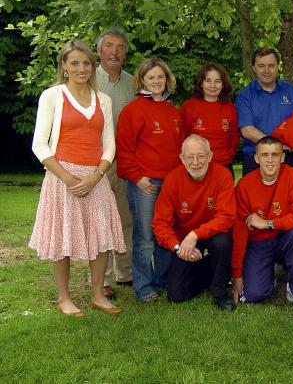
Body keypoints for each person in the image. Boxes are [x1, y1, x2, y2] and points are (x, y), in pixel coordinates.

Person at [29, 39, 125, 316]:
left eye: (86, 63)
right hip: (62, 178)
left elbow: (110, 145)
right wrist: (68, 178)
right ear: (64, 67)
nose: (81, 68)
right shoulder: (52, 96)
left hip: (95, 177)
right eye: (74, 63)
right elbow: (40, 144)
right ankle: (64, 298)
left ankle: (97, 294)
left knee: (100, 236)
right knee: (63, 239)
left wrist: (96, 176)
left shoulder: (103, 100)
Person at [116, 57, 182, 303]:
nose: (156, 81)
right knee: (144, 238)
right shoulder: (132, 111)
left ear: (167, 80)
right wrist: (138, 178)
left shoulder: (173, 111)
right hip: (145, 183)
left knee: (166, 233)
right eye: (151, 77)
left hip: (171, 185)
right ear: (142, 80)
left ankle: (161, 279)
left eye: (160, 77)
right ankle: (143, 286)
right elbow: (124, 151)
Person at [152, 134, 237, 310]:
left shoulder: (223, 175)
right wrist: (178, 247)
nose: (196, 162)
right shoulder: (172, 180)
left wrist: (195, 234)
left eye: (201, 156)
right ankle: (215, 269)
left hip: (212, 234)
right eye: (190, 157)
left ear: (210, 156)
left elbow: (226, 217)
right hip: (185, 242)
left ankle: (219, 290)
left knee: (223, 242)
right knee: (176, 295)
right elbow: (160, 224)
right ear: (182, 159)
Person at [232, 136, 293, 309]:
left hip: (285, 239)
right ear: (256, 158)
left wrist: (268, 223)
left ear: (282, 157)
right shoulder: (244, 185)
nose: (270, 160)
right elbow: (239, 231)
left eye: (275, 155)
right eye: (265, 155)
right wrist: (237, 275)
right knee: (254, 294)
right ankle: (268, 277)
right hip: (259, 243)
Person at [95, 27, 135, 298]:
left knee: (126, 218)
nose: (115, 52)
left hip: (127, 161)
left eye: (120, 47)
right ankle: (103, 278)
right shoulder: (88, 80)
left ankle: (126, 271)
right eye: (109, 46)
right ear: (99, 51)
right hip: (97, 162)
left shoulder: (133, 83)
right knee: (100, 220)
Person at [236, 48, 293, 176]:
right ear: (254, 68)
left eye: (271, 66)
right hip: (255, 159)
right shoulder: (244, 96)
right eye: (261, 66)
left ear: (278, 67)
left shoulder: (291, 91)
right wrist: (277, 146)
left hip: (287, 158)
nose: (267, 70)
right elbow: (247, 130)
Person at [180, 62, 239, 179]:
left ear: (223, 85)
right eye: (208, 80)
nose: (213, 85)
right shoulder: (188, 107)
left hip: (223, 165)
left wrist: (227, 156)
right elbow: (181, 137)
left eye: (217, 81)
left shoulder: (230, 108)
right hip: (196, 167)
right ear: (201, 83)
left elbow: (234, 137)